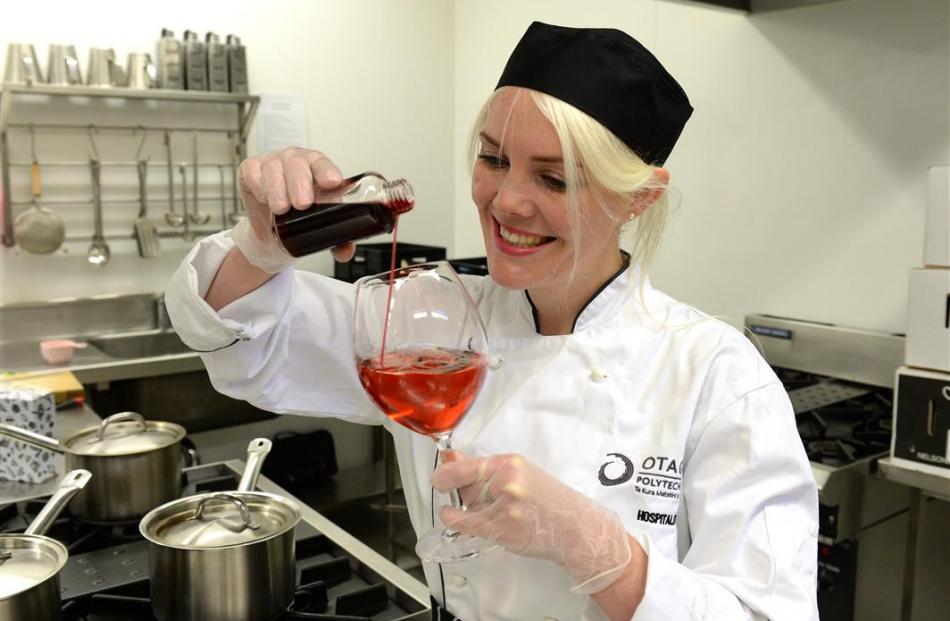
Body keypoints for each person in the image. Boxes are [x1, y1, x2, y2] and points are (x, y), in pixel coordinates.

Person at [165, 21, 819, 621]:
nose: (506, 202)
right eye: (494, 158)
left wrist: (598, 549)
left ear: (637, 200)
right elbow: (240, 331)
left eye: (554, 179)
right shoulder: (439, 317)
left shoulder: (717, 376)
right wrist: (261, 241)